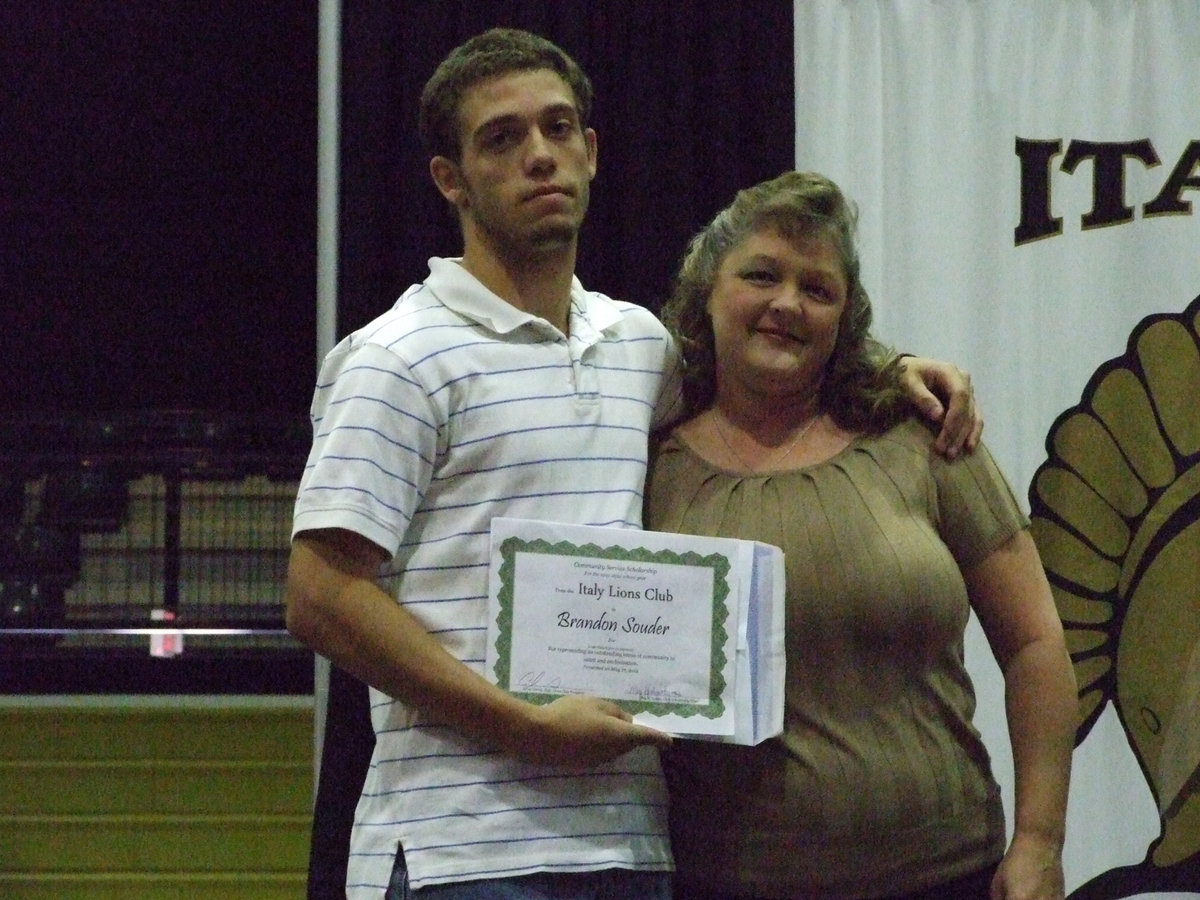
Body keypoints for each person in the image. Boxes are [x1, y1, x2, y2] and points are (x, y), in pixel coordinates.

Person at [286, 29, 981, 900]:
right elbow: (320, 595)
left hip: (628, 845)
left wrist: (888, 372)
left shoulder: (638, 346)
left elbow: (768, 377)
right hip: (460, 855)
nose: (539, 155)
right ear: (450, 180)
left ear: (593, 151)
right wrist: (521, 725)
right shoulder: (396, 357)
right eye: (502, 139)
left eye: (559, 128)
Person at [646, 171, 1077, 900]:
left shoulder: (927, 436)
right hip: (724, 884)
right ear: (706, 291)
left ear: (845, 319)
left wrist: (1040, 840)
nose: (788, 303)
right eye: (761, 275)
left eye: (818, 290)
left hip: (949, 877)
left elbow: (1036, 643)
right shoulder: (643, 461)